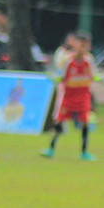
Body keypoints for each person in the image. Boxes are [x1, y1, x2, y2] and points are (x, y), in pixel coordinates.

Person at [41, 32, 95, 161]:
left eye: (85, 46)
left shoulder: (89, 61)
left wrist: (101, 78)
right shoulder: (68, 61)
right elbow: (62, 77)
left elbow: (93, 75)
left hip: (83, 97)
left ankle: (84, 152)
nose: (83, 49)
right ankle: (51, 148)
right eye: (81, 45)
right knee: (59, 122)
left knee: (84, 123)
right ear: (75, 46)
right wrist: (56, 78)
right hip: (68, 97)